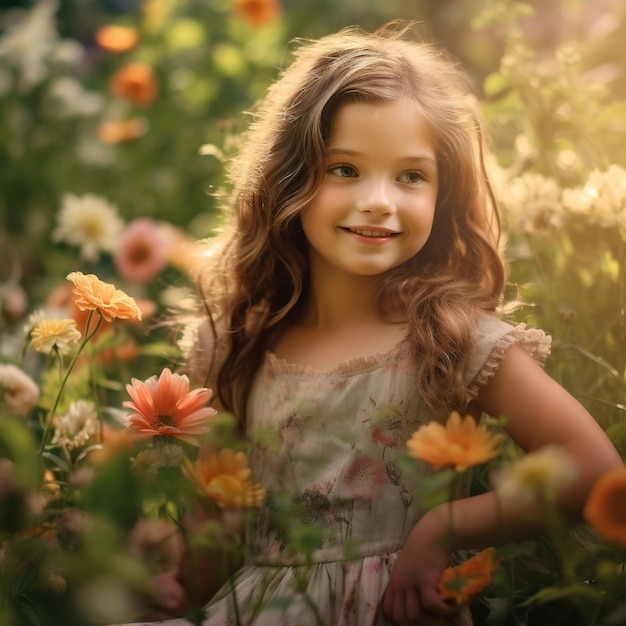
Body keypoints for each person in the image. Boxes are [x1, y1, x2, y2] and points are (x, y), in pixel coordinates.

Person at [116, 22, 622, 626]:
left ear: (444, 192)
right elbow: (220, 526)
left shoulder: (451, 338)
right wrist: (169, 587)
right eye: (345, 169)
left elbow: (596, 468)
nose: (379, 199)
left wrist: (443, 528)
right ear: (288, 180)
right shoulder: (237, 344)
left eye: (410, 176)